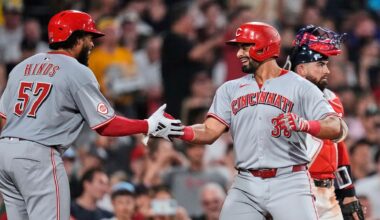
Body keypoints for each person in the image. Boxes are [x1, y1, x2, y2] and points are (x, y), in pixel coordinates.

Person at [0, 10, 183, 220]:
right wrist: (148, 126)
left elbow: (4, 116)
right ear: (76, 39)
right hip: (38, 155)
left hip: (5, 152)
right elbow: (105, 125)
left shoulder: (22, 66)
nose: (92, 44)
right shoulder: (77, 70)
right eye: (89, 38)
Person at [172, 21, 348, 220]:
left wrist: (306, 125)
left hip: (289, 181)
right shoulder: (229, 89)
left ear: (265, 47)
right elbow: (209, 131)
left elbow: (336, 127)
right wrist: (178, 130)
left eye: (245, 47)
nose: (239, 54)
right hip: (246, 183)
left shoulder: (300, 86)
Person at [289, 25, 364, 220]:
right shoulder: (284, 100)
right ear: (302, 69)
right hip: (296, 190)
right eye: (321, 64)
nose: (328, 71)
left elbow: (337, 148)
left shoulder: (332, 99)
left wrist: (347, 192)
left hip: (328, 192)